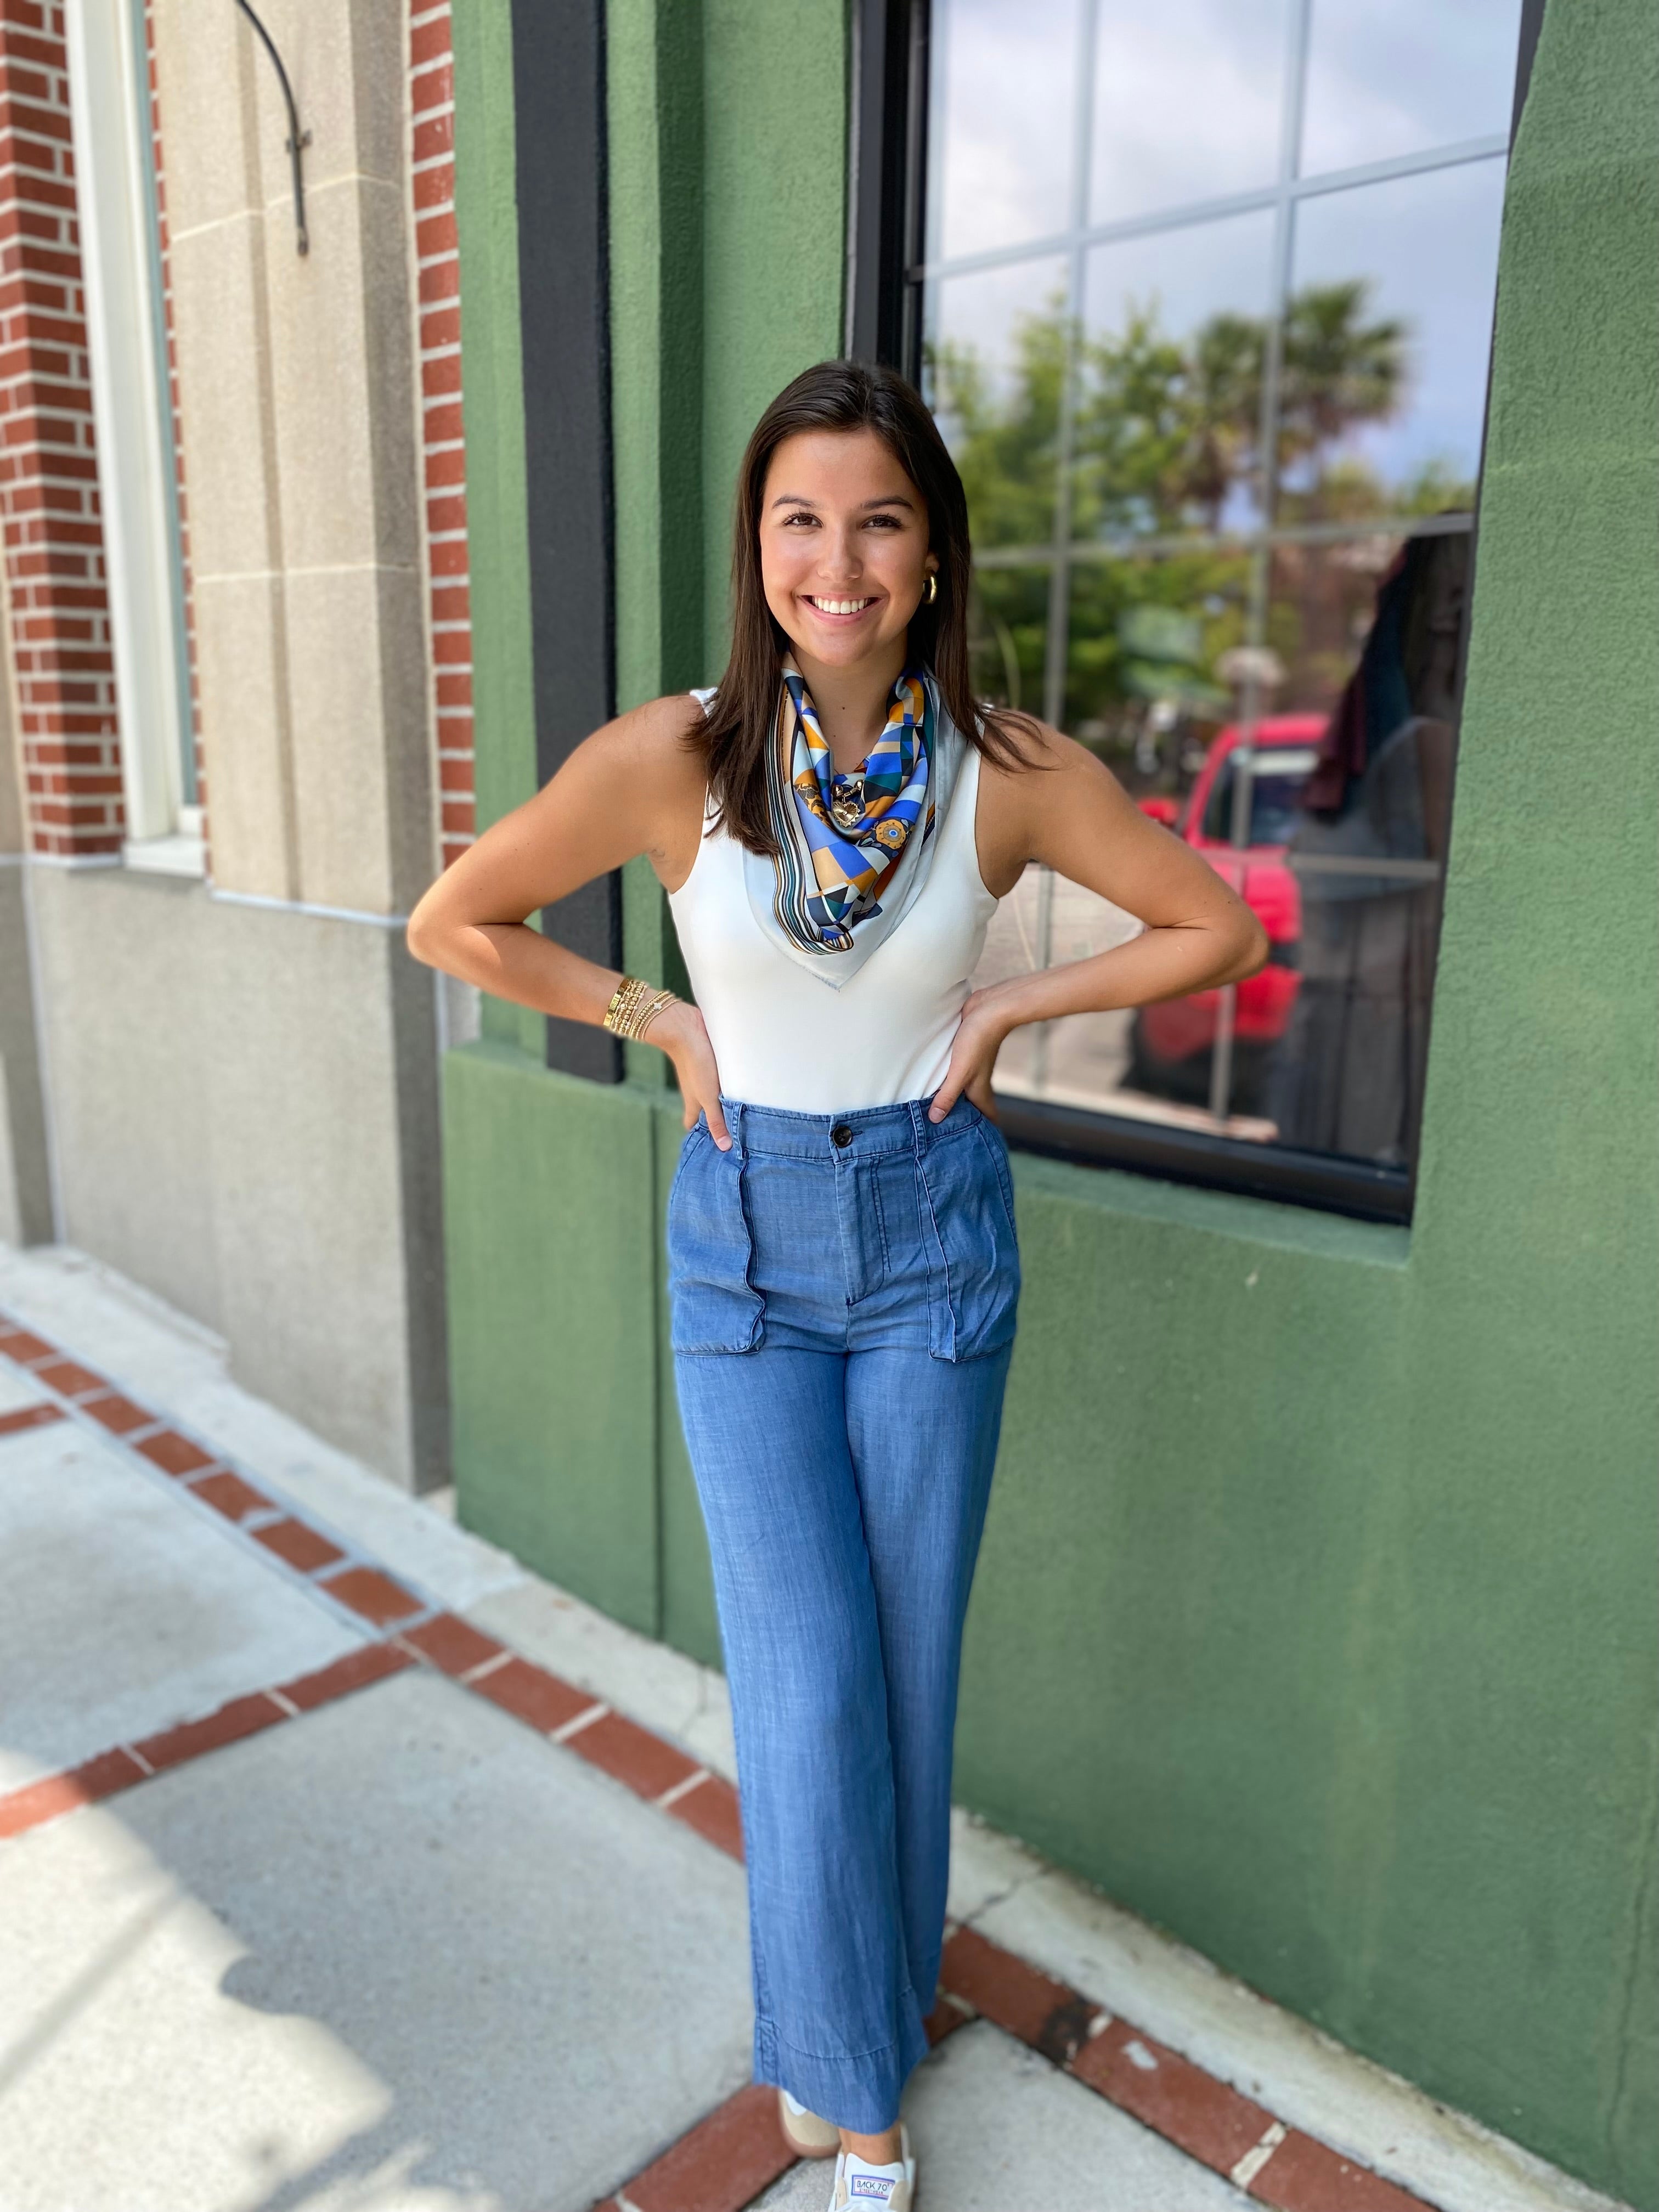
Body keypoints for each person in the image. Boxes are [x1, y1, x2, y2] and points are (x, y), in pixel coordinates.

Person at [407, 359, 1266, 2210]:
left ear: (935, 555)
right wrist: (658, 1022)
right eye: (799, 517)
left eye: (879, 517)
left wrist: (1020, 1002)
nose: (837, 558)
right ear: (759, 546)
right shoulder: (678, 757)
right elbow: (454, 917)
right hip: (746, 1246)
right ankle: (863, 2111)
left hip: (934, 1240)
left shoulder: (1008, 776)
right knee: (806, 1690)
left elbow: (1220, 923)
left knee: (903, 1678)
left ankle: (850, 2030)